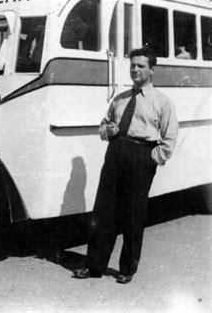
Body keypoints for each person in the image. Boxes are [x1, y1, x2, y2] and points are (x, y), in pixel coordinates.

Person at [73, 46, 179, 284]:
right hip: (116, 152)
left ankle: (127, 268)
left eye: (141, 66)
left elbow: (170, 138)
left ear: (152, 70)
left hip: (141, 156)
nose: (135, 70)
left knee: (133, 213)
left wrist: (152, 158)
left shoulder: (162, 102)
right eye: (132, 65)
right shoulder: (119, 99)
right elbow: (103, 125)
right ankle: (94, 266)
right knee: (103, 211)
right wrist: (107, 131)